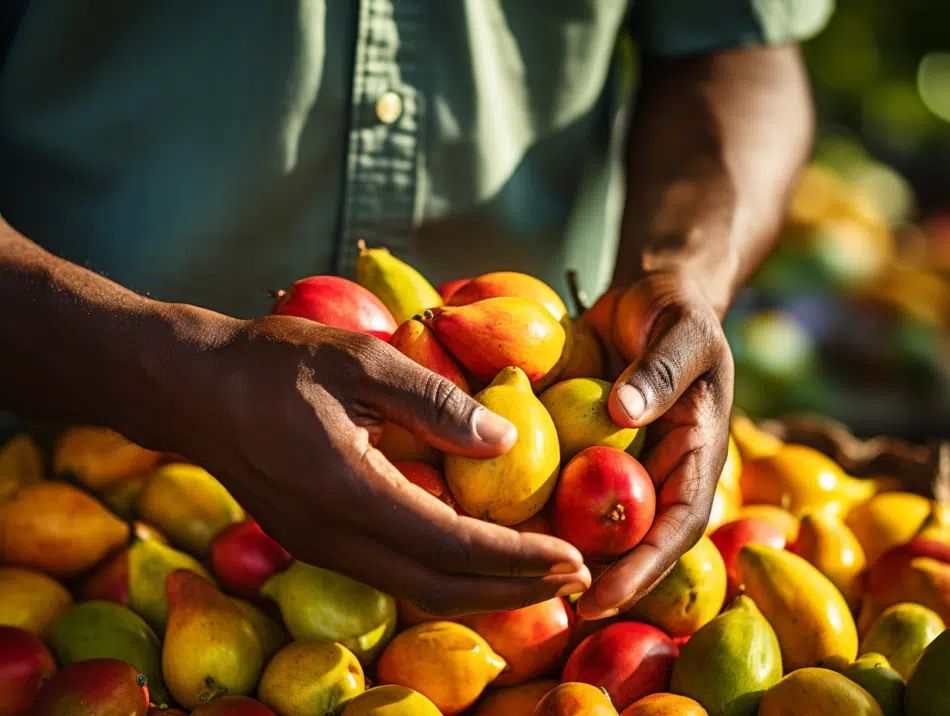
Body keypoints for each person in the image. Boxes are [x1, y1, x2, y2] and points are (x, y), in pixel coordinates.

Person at [0, 1, 829, 620]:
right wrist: (168, 371)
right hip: (53, 461)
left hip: (538, 516)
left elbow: (737, 42)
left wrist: (680, 269)